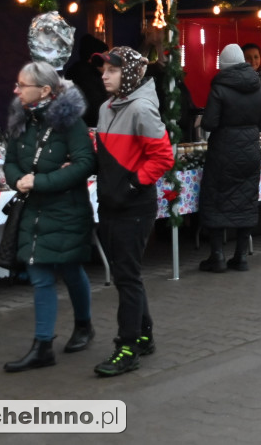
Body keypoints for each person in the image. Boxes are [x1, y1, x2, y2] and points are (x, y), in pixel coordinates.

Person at [3, 62, 96, 372]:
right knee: (40, 275)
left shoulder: (71, 124)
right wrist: (18, 179)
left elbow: (84, 164)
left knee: (71, 269)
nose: (15, 90)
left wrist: (39, 182)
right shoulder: (21, 120)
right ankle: (43, 346)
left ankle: (83, 325)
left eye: (22, 85)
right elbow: (11, 161)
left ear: (44, 90)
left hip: (67, 210)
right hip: (35, 211)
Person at [90, 46, 174, 377]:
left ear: (128, 74)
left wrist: (131, 186)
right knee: (128, 274)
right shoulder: (106, 108)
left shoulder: (141, 109)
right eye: (103, 70)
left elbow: (163, 158)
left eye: (111, 70)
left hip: (134, 207)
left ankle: (127, 348)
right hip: (112, 203)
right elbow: (107, 155)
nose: (104, 75)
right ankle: (144, 334)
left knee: (126, 277)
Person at [198, 44, 261, 273]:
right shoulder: (259, 89)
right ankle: (240, 256)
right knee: (246, 199)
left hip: (223, 151)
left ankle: (217, 255)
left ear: (223, 65)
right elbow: (260, 121)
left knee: (217, 198)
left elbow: (209, 122)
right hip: (250, 149)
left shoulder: (219, 88)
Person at [64, 33, 108, 128]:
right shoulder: (89, 78)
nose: (107, 63)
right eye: (104, 58)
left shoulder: (76, 72)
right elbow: (96, 108)